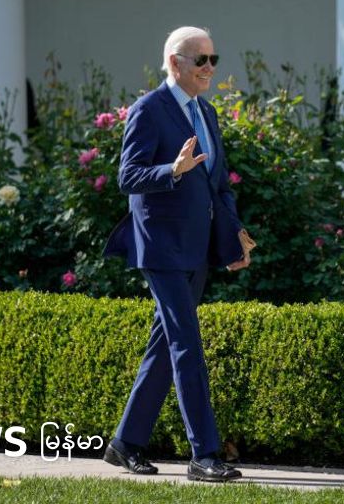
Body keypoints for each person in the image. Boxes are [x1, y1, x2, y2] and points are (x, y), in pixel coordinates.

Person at [102, 26, 257, 483]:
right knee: (186, 344)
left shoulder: (207, 112)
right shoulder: (149, 109)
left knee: (164, 347)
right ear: (175, 63)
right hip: (161, 247)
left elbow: (218, 184)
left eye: (213, 59)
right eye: (200, 60)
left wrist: (234, 236)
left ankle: (125, 443)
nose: (210, 68)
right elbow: (128, 176)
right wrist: (172, 169)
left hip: (197, 248)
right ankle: (204, 455)